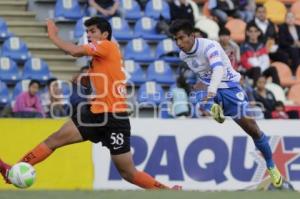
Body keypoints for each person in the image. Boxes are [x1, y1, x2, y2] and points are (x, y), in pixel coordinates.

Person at [0, 17, 180, 190]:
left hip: (114, 117)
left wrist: (53, 36)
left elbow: (74, 51)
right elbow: (109, 76)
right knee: (53, 140)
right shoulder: (100, 57)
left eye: (92, 31)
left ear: (105, 34)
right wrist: (86, 80)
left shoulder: (107, 46)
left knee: (128, 172)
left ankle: (168, 192)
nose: (88, 34)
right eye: (87, 31)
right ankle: (14, 171)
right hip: (94, 113)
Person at [169, 19, 283, 187]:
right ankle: (214, 108)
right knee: (194, 92)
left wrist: (212, 91)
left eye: (181, 38)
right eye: (175, 39)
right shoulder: (183, 55)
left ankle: (271, 165)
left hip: (228, 86)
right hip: (209, 87)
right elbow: (203, 74)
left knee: (253, 129)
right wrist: (205, 89)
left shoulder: (210, 46)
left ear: (192, 35)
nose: (178, 43)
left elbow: (218, 69)